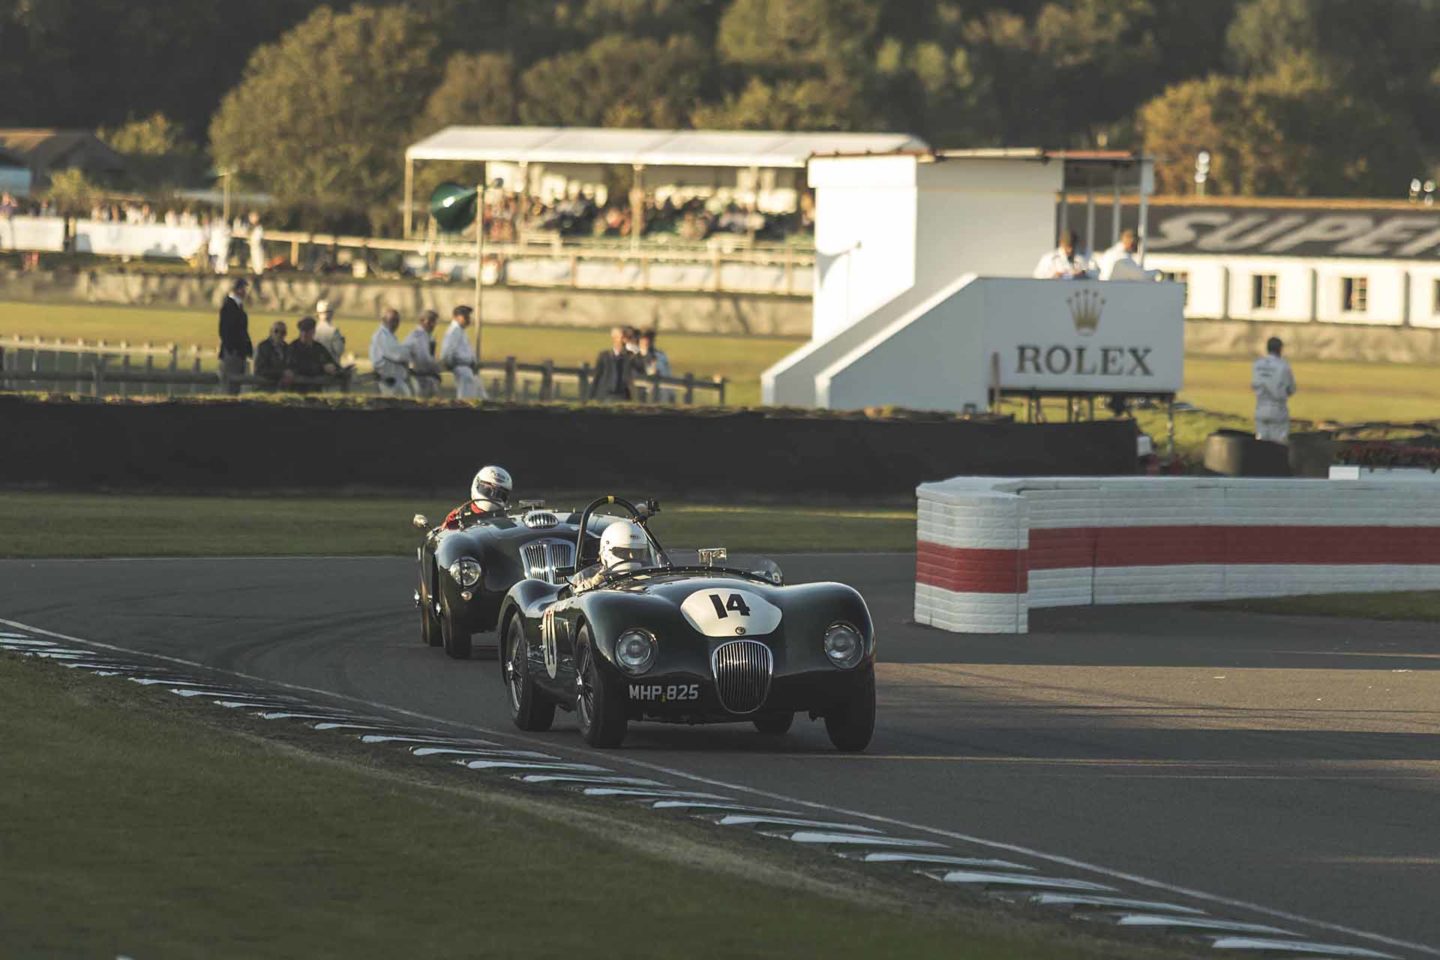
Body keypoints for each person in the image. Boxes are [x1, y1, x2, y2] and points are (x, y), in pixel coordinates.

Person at [573, 519, 656, 590]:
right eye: (624, 552)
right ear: (605, 551)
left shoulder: (653, 577)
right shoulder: (585, 577)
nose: (632, 557)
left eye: (637, 552)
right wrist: (591, 585)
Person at [1252, 336, 1297, 443]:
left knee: (1261, 444)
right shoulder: (1283, 365)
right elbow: (1291, 389)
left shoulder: (1257, 364)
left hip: (1260, 408)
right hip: (1278, 408)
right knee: (1278, 445)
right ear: (1280, 349)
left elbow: (1254, 384)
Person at [441, 465, 514, 530]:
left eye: (499, 494)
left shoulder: (507, 522)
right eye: (487, 490)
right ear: (476, 484)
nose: (492, 497)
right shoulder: (458, 516)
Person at [440, 304, 485, 400]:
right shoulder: (454, 330)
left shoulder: (461, 330)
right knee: (466, 398)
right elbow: (448, 351)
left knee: (478, 396)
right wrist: (450, 363)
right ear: (456, 317)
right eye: (465, 316)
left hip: (468, 368)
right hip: (461, 367)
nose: (468, 319)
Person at [286, 316, 341, 393]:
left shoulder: (319, 348)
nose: (304, 334)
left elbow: (330, 362)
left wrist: (330, 367)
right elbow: (290, 366)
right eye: (302, 331)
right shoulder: (293, 347)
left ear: (313, 331)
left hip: (315, 388)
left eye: (307, 331)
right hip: (297, 388)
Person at [217, 277, 252, 393]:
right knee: (231, 385)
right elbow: (226, 331)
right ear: (237, 289)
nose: (245, 292)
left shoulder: (236, 306)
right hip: (233, 353)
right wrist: (233, 349)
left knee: (235, 385)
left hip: (237, 352)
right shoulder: (230, 307)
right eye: (243, 288)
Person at [369, 308, 412, 397]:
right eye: (392, 320)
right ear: (384, 320)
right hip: (389, 382)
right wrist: (408, 354)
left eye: (397, 321)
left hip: (395, 380)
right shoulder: (382, 336)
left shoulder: (389, 335)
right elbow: (399, 356)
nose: (395, 324)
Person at [589, 326, 636, 401]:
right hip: (605, 395)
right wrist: (591, 396)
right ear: (614, 338)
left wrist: (633, 347)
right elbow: (597, 376)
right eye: (622, 337)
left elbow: (641, 362)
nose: (624, 340)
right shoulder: (604, 356)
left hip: (623, 396)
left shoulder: (630, 357)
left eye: (626, 337)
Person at [404, 309, 443, 398]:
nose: (433, 325)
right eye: (430, 321)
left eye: (434, 321)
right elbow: (423, 360)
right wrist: (438, 367)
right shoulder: (418, 336)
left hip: (426, 377)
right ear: (422, 321)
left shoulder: (428, 336)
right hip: (419, 377)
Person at [636, 328, 673, 402]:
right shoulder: (636, 357)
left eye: (650, 339)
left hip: (663, 392)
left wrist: (671, 393)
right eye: (644, 339)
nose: (647, 342)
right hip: (645, 393)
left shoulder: (661, 355)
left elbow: (668, 374)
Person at [253, 320, 289, 389]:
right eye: (276, 331)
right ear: (271, 332)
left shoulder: (287, 348)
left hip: (282, 387)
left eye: (283, 332)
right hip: (264, 386)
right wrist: (281, 373)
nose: (279, 334)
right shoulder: (263, 347)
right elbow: (260, 370)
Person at [247, 211, 266, 279]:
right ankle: (256, 273)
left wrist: (252, 241)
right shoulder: (253, 227)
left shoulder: (259, 228)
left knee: (258, 259)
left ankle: (259, 273)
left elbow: (257, 238)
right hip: (253, 246)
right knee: (254, 259)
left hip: (257, 246)